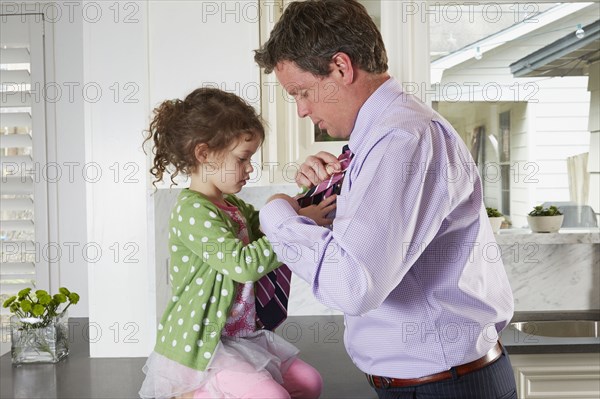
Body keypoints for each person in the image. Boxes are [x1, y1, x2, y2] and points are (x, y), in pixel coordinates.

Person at [254, 1, 517, 398]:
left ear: (341, 68)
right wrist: (320, 199)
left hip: (442, 387)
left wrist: (276, 215)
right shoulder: (384, 138)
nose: (302, 110)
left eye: (302, 92)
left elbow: (353, 285)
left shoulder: (401, 140)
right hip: (440, 381)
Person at [138, 88, 326, 399]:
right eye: (243, 158)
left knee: (309, 383)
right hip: (206, 345)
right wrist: (297, 227)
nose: (250, 168)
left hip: (242, 337)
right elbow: (243, 264)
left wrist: (307, 195)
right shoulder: (192, 211)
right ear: (204, 154)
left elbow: (270, 225)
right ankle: (197, 392)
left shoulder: (232, 206)